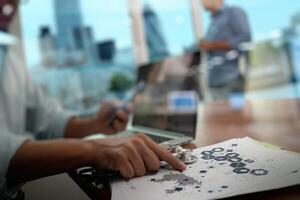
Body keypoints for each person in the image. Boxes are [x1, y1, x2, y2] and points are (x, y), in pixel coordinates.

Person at [0, 1, 186, 199]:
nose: (10, 4)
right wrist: (95, 150)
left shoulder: (10, 61)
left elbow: (51, 122)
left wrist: (95, 124)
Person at [200, 0, 251, 100]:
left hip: (232, 77)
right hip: (215, 80)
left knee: (236, 113)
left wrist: (212, 45)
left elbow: (244, 38)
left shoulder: (233, 12)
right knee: (223, 114)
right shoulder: (213, 21)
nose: (201, 2)